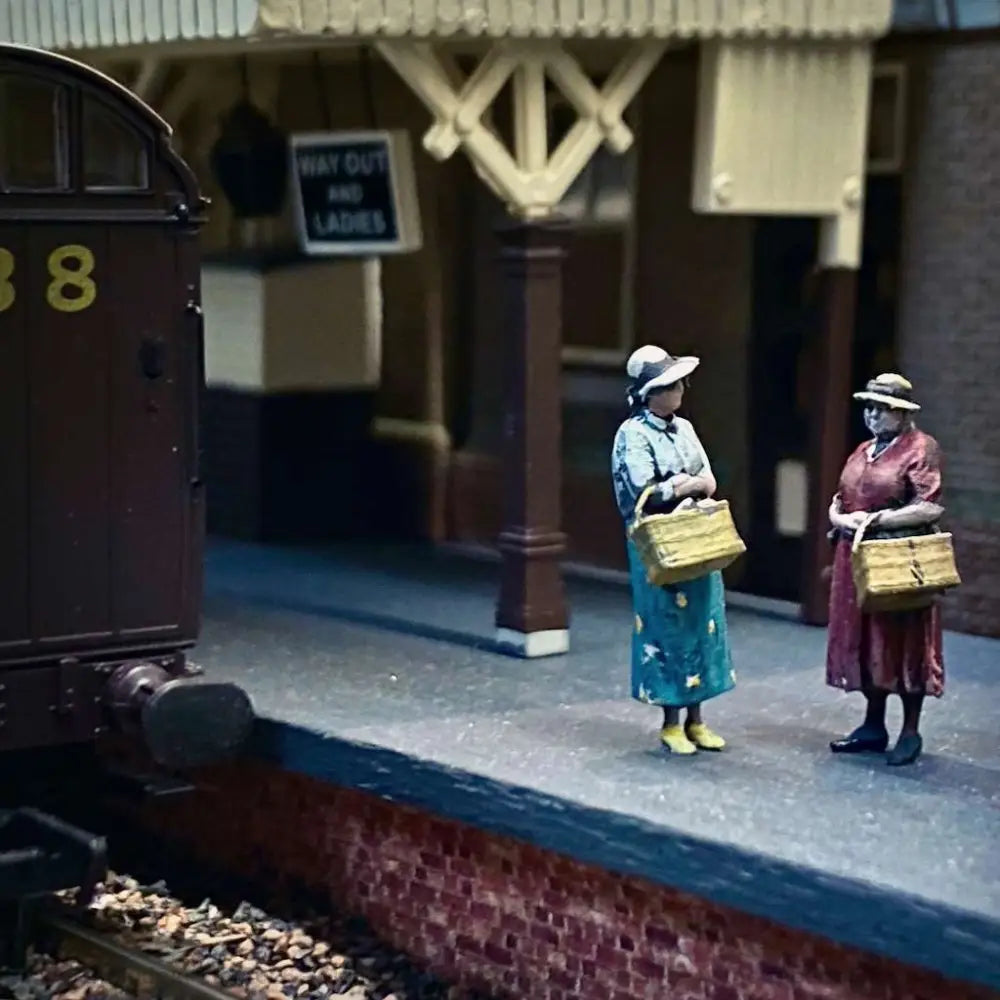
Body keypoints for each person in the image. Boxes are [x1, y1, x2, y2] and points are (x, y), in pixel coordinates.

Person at [611, 345, 736, 756]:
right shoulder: (633, 434)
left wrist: (687, 485)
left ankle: (697, 718)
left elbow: (707, 477)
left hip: (696, 537)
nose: (679, 389)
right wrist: (682, 486)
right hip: (659, 542)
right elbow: (644, 488)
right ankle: (670, 721)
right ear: (649, 393)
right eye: (669, 385)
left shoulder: (684, 429)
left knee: (702, 623)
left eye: (679, 383)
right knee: (667, 625)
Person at [826, 373, 946, 767]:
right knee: (866, 638)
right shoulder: (864, 449)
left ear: (902, 412)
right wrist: (838, 517)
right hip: (857, 557)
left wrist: (873, 523)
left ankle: (910, 730)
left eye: (882, 408)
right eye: (869, 407)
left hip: (898, 560)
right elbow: (847, 495)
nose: (872, 415)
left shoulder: (919, 448)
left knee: (905, 638)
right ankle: (873, 723)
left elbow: (928, 505)